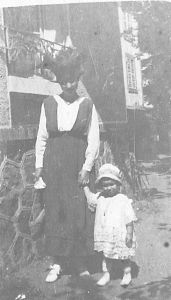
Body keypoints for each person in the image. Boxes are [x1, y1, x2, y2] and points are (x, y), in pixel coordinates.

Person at [35, 47, 100, 282]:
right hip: (54, 164)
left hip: (76, 163)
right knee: (56, 211)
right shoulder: (48, 103)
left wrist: (86, 167)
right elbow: (42, 137)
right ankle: (57, 263)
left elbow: (93, 139)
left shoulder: (87, 105)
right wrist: (39, 166)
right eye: (64, 81)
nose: (69, 85)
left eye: (73, 80)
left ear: (78, 78)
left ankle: (80, 261)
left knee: (78, 211)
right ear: (59, 80)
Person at [84, 163, 137, 287]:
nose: (108, 188)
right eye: (105, 185)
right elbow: (91, 199)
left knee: (123, 256)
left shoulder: (123, 199)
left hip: (120, 234)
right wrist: (85, 187)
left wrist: (129, 233)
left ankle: (127, 274)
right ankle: (107, 274)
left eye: (112, 184)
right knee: (106, 255)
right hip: (106, 234)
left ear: (118, 185)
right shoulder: (100, 197)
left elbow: (129, 219)